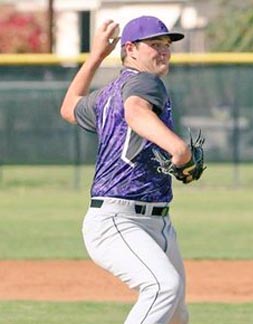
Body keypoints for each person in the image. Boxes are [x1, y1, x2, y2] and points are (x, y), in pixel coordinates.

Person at [60, 16, 198, 324]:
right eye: (155, 45)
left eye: (166, 45)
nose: (164, 51)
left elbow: (69, 108)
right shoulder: (144, 82)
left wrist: (95, 56)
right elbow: (136, 112)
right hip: (119, 219)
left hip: (155, 222)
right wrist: (179, 148)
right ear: (131, 49)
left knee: (177, 314)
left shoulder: (109, 93)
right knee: (163, 288)